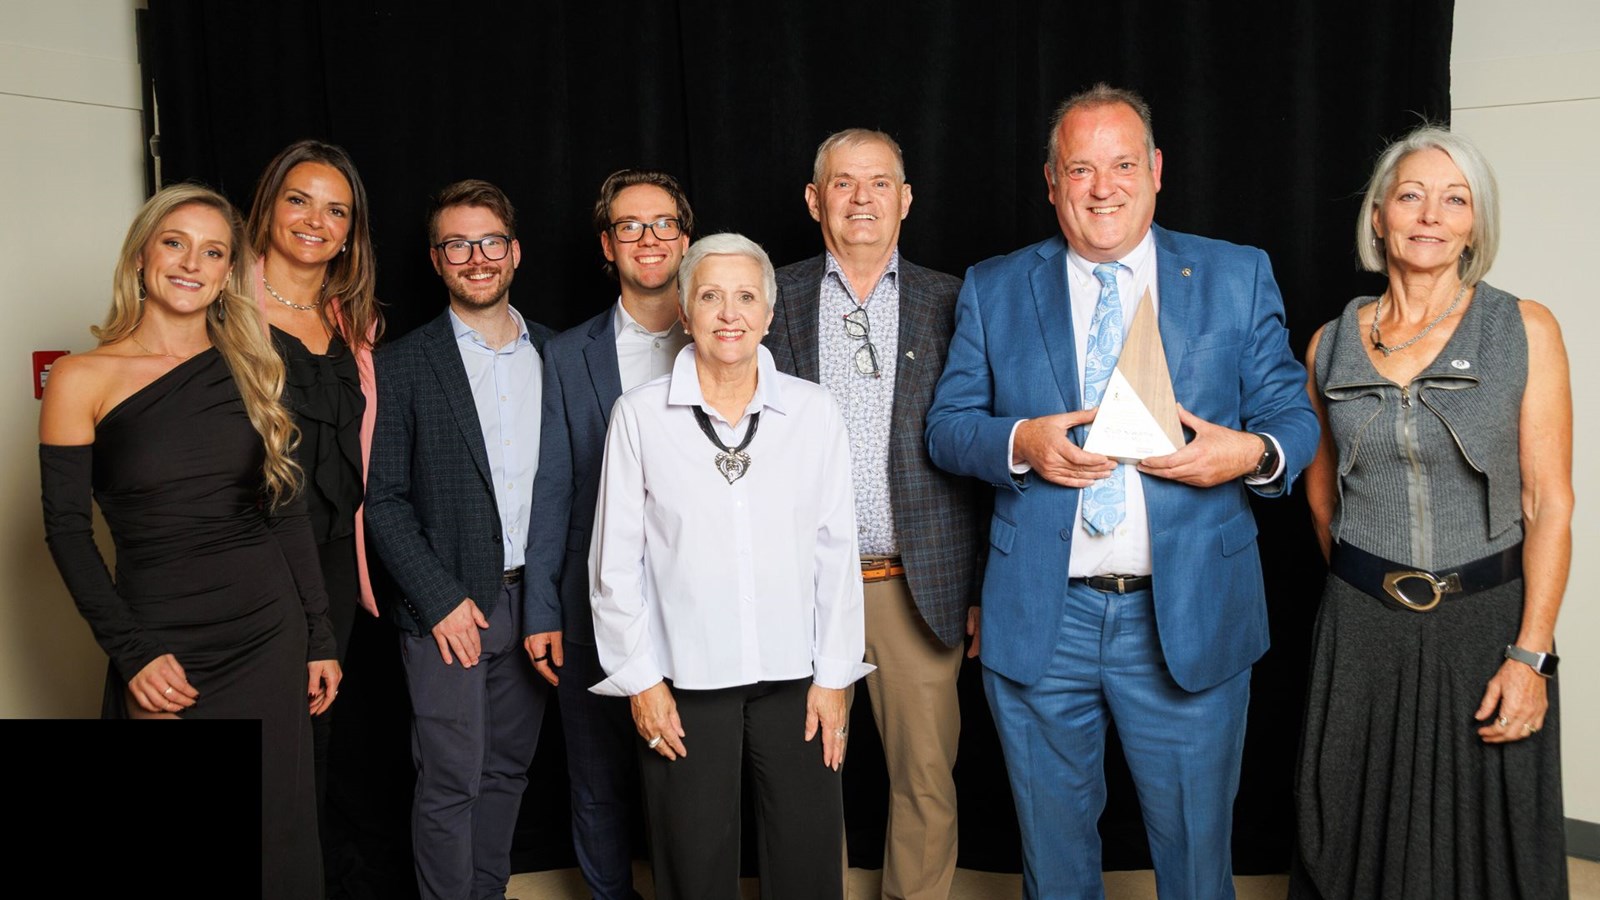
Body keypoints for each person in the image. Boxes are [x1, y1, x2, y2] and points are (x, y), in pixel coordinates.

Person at [924, 83, 1320, 899]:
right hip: (1044, 617)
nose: (1102, 187)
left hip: (1190, 612)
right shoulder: (994, 286)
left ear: (1157, 170)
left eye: (1122, 165)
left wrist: (1248, 453)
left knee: (1196, 864)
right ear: (1052, 182)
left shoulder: (1234, 274)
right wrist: (1020, 443)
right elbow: (947, 427)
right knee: (1055, 862)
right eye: (1080, 169)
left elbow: (1293, 416)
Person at [1290, 126, 1571, 900]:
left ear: (1475, 225)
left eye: (1455, 200)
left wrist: (1530, 657)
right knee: (1353, 830)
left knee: (1489, 842)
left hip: (1485, 626)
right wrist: (1370, 594)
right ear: (1379, 216)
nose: (1430, 216)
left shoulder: (1525, 328)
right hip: (1361, 629)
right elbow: (1322, 500)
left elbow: (1549, 503)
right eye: (1411, 196)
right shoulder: (1327, 346)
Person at [40, 183, 340, 900]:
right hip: (159, 638)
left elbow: (285, 512)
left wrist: (319, 635)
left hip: (266, 633)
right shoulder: (80, 378)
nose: (190, 264)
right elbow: (66, 532)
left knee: (274, 839)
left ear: (228, 271)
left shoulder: (254, 366)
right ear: (142, 256)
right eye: (175, 243)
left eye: (213, 252)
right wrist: (132, 652)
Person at [589, 233, 872, 900]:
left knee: (807, 865)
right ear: (684, 311)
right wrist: (640, 681)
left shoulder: (813, 412)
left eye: (746, 297)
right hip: (683, 678)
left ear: (769, 314)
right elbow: (615, 564)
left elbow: (836, 552)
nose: (729, 314)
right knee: (693, 866)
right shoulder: (639, 417)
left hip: (797, 678)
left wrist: (835, 675)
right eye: (711, 296)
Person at [765, 128, 982, 900]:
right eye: (844, 183)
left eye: (880, 183)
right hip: (801, 587)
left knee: (924, 779)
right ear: (814, 199)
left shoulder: (955, 301)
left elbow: (981, 453)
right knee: (802, 778)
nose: (862, 199)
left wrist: (980, 587)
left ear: (906, 199)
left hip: (916, 587)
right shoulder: (769, 296)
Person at [365, 179, 553, 900]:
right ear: (436, 260)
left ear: (515, 252)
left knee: (506, 772)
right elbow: (383, 500)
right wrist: (438, 600)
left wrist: (553, 602)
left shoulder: (556, 356)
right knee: (450, 780)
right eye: (457, 245)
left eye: (490, 241)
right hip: (447, 608)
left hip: (533, 607)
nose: (477, 258)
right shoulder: (403, 365)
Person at [525, 169, 695, 900]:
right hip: (593, 599)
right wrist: (542, 607)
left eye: (663, 224)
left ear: (685, 239)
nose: (648, 239)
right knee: (597, 778)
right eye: (630, 226)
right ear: (607, 244)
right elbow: (552, 486)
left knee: (689, 775)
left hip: (697, 601)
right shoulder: (567, 355)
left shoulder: (726, 336)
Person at [244, 138, 382, 887]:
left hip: (328, 561)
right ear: (269, 206)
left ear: (351, 231)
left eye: (337, 210)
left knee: (313, 739)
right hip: (246, 556)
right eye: (299, 200)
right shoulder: (221, 305)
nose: (315, 221)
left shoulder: (351, 321)